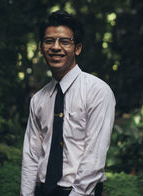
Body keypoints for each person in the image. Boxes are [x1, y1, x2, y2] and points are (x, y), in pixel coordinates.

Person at [20, 10, 115, 196]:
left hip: (80, 191)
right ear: (41, 48)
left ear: (77, 48)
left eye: (64, 41)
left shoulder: (98, 92)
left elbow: (94, 158)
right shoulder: (38, 99)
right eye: (49, 41)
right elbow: (31, 155)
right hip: (42, 190)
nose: (56, 47)